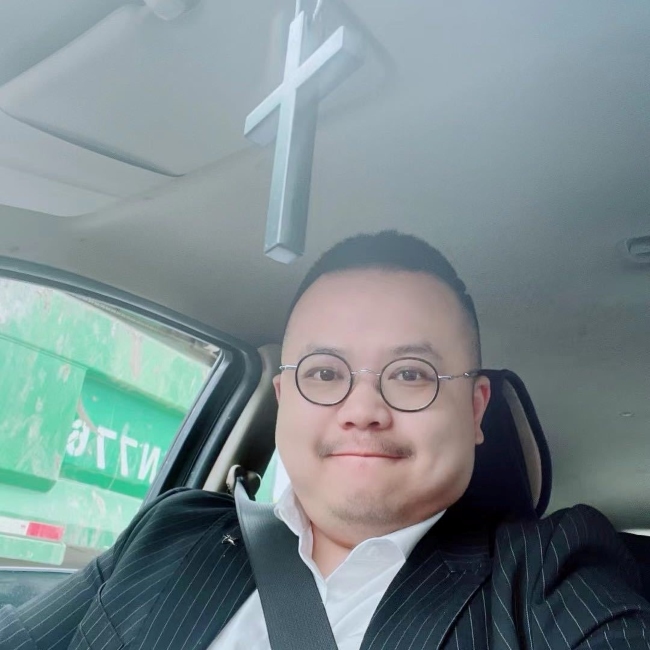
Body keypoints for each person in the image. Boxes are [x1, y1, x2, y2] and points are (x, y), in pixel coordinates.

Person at [1, 230, 649, 650]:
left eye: (411, 374)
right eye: (324, 373)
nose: (362, 410)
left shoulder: (546, 574)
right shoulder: (172, 533)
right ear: (284, 398)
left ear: (476, 410)